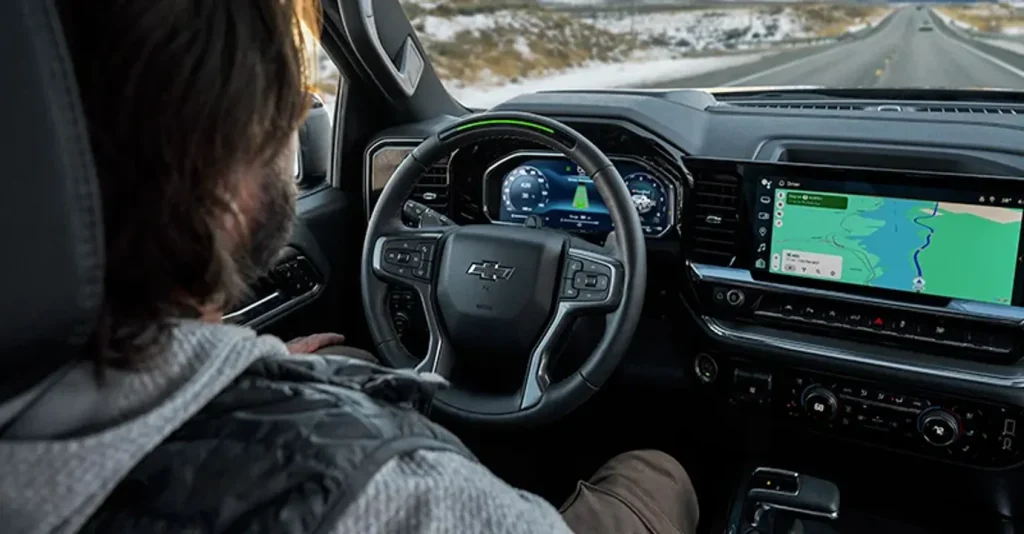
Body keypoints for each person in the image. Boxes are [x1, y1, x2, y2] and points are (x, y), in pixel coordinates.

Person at [0, 0, 699, 533]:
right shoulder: (395, 502)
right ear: (225, 185)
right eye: (282, 108)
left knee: (351, 359)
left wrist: (262, 373)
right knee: (660, 471)